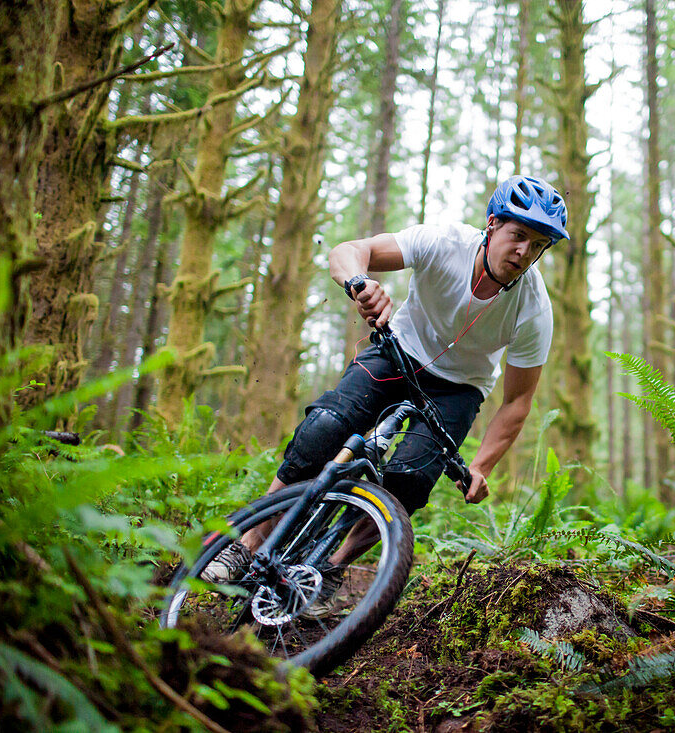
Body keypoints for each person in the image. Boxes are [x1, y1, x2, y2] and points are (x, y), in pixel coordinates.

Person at [203, 174, 569, 616]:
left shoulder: (534, 309)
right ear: (492, 225)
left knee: (411, 479)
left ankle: (328, 569)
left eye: (538, 245)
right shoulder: (442, 242)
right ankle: (247, 543)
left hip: (459, 388)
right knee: (327, 427)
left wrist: (480, 465)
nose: (524, 252)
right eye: (518, 236)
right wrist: (360, 282)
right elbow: (349, 251)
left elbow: (517, 402)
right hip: (398, 350)